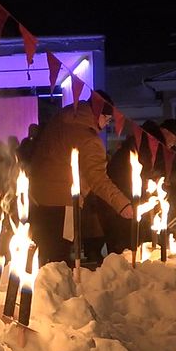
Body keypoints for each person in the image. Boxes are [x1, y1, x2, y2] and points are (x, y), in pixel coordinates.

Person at [28, 91, 133, 266]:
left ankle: (41, 288)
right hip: (64, 199)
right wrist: (123, 205)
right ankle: (59, 290)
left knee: (44, 250)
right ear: (98, 114)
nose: (107, 124)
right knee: (60, 256)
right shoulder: (87, 138)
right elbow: (98, 178)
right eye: (107, 119)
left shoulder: (64, 118)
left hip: (39, 196)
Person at [99, 118, 176, 254]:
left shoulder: (143, 146)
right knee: (126, 254)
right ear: (165, 132)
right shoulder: (146, 148)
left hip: (125, 207)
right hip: (123, 207)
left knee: (129, 254)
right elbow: (135, 178)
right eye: (175, 139)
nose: (174, 145)